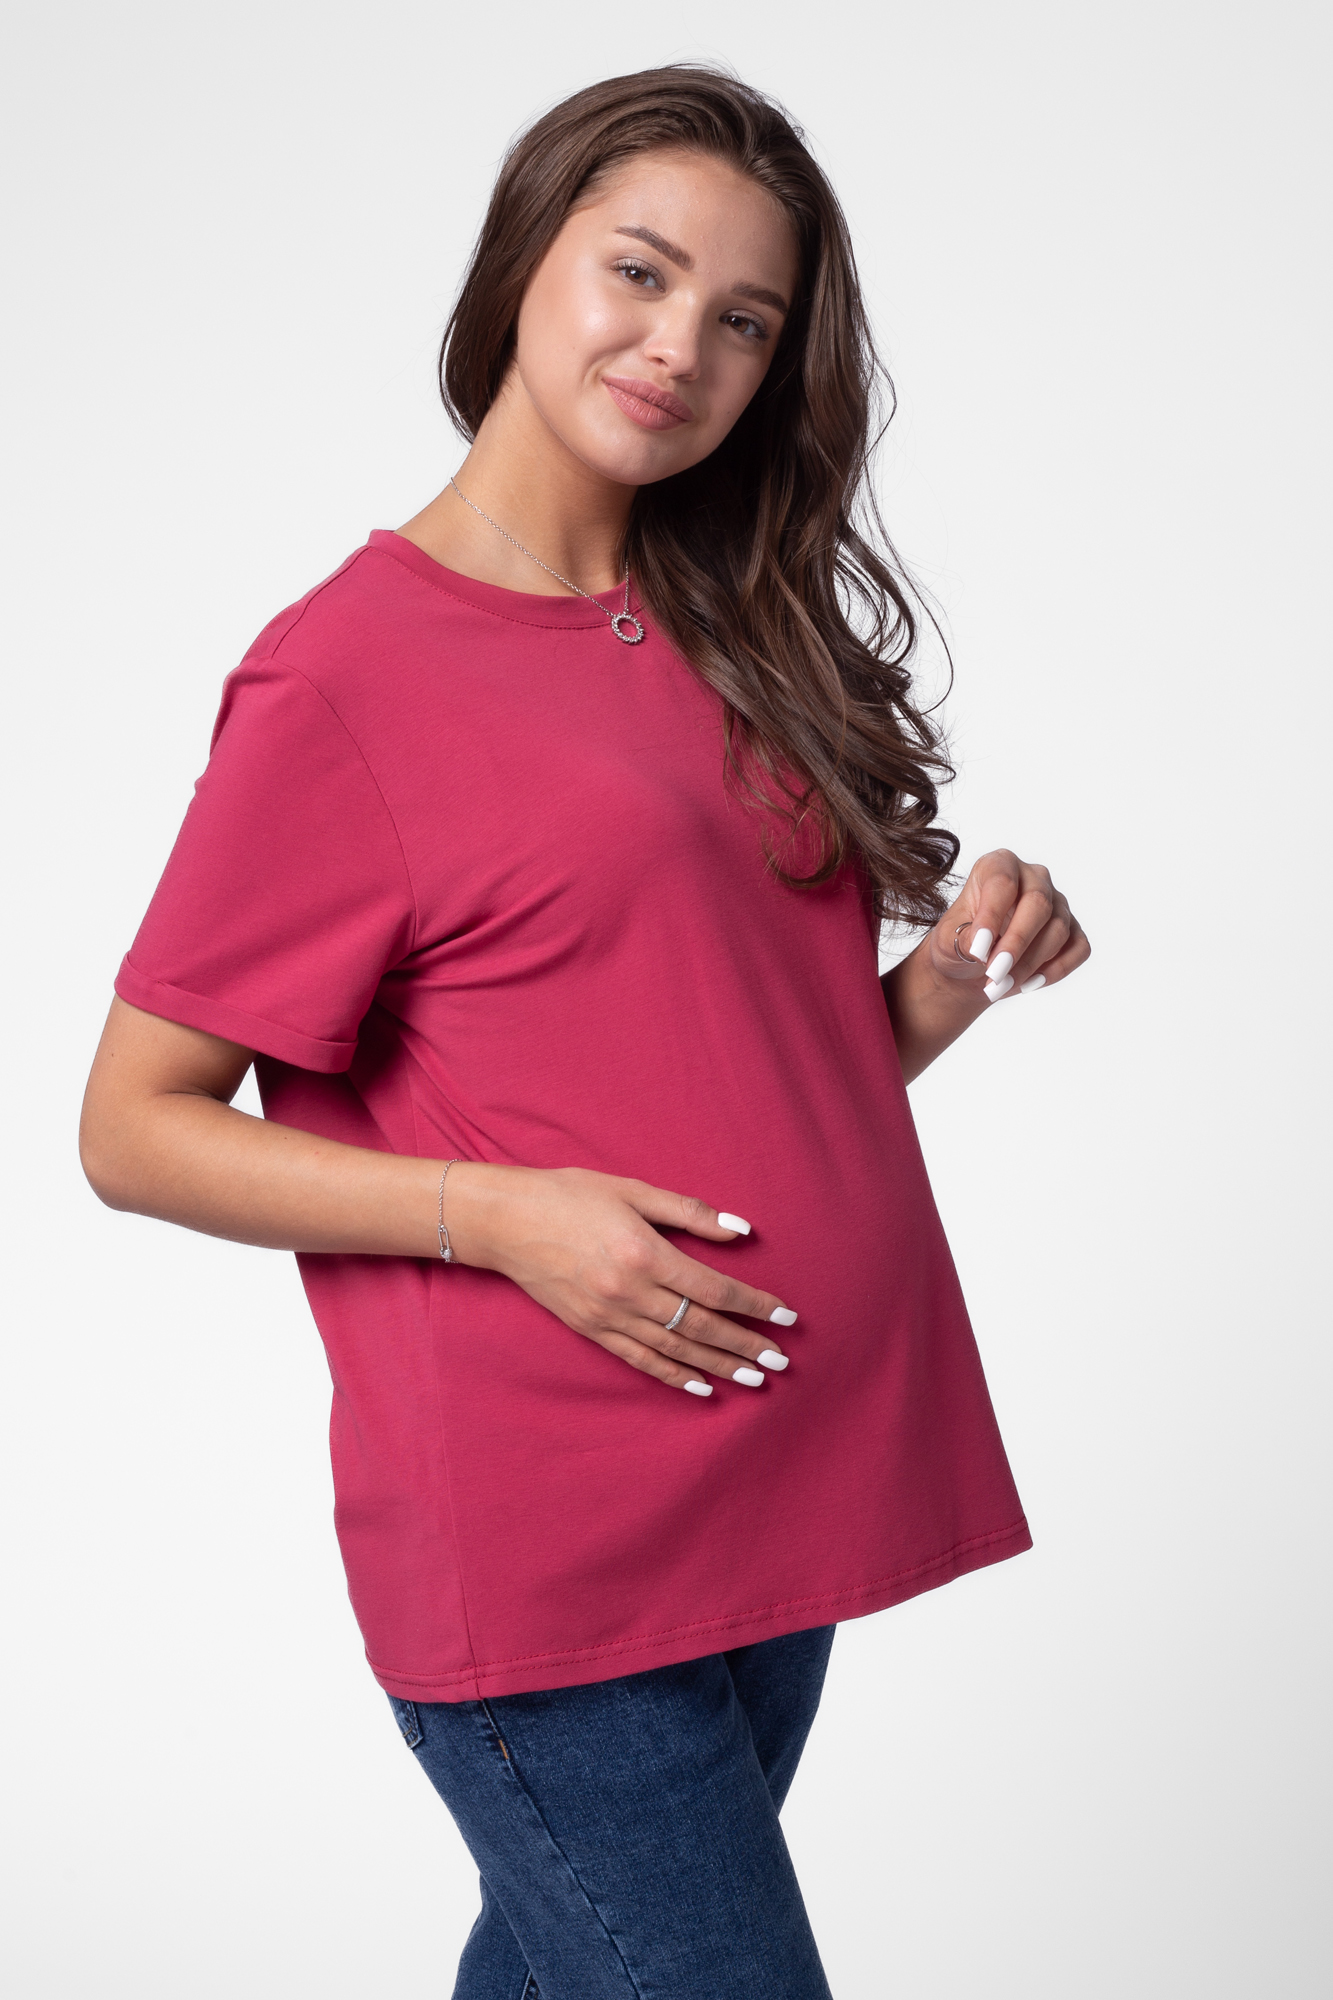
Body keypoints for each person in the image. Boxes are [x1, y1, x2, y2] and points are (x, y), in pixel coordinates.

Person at [80, 64, 1089, 2000]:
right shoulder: (346, 675)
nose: (680, 345)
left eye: (745, 319)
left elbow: (758, 1073)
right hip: (561, 1543)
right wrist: (507, 1215)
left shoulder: (732, 630)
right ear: (523, 262)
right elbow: (133, 1126)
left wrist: (952, 978)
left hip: (777, 1472)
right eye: (639, 271)